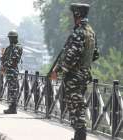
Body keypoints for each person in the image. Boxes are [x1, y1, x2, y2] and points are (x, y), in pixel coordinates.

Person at [51, 3, 99, 140]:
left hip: (74, 76)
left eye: (73, 14)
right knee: (77, 103)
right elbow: (95, 54)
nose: (72, 16)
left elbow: (71, 56)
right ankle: (79, 136)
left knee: (75, 105)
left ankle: (80, 136)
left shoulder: (79, 32)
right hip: (84, 74)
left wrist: (58, 70)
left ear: (77, 14)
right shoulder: (91, 32)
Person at [0, 30, 23, 114]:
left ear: (15, 38)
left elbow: (14, 60)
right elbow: (5, 58)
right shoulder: (9, 47)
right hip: (8, 71)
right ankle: (11, 106)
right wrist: (3, 60)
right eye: (9, 38)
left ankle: (13, 108)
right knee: (10, 89)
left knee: (13, 89)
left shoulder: (17, 47)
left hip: (12, 70)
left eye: (11, 38)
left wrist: (5, 64)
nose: (10, 39)